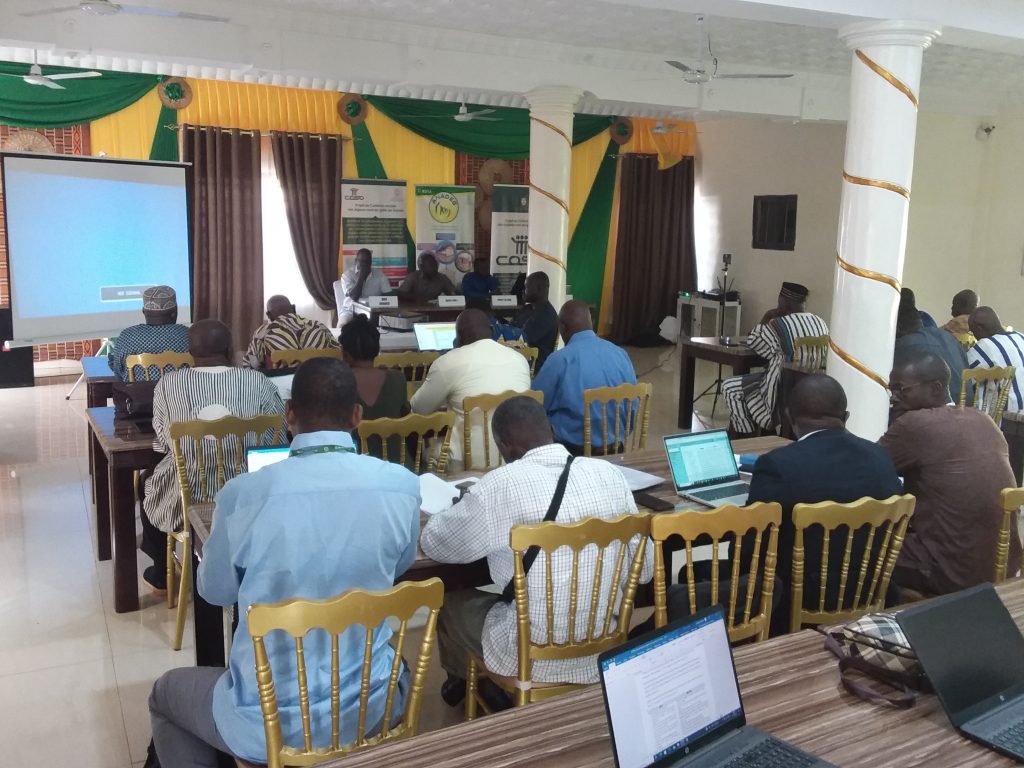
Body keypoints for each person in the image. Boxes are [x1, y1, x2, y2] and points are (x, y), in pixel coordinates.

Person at [146, 358, 420, 768]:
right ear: (356, 416)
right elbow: (399, 567)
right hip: (371, 708)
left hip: (270, 722)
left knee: (164, 695)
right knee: (398, 665)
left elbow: (215, 591)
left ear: (289, 413)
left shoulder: (243, 495)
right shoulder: (401, 485)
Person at [420, 395, 652, 704]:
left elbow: (437, 544)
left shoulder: (499, 485)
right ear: (551, 431)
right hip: (603, 647)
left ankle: (467, 684)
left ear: (503, 446)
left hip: (528, 656)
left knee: (450, 602)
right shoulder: (610, 475)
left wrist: (456, 510)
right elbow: (645, 570)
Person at [745, 374, 902, 635]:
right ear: (846, 417)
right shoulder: (880, 457)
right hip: (870, 590)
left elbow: (752, 546)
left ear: (789, 416)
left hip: (798, 600)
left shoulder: (778, 465)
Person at [140, 320, 285, 592]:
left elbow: (164, 441)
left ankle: (161, 572)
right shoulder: (258, 382)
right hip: (249, 499)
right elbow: (275, 440)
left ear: (189, 352)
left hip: (188, 500)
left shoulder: (168, 384)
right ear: (230, 350)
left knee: (148, 481)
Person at [880, 349, 1021, 595]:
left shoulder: (915, 424)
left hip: (952, 572)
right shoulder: (983, 419)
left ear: (935, 388)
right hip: (1003, 567)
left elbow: (868, 469)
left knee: (856, 543)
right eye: (891, 390)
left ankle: (882, 612)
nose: (894, 398)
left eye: (902, 389)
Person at [410, 308, 530, 469]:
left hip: (465, 463)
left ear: (458, 337)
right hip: (513, 458)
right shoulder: (519, 360)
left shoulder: (447, 363)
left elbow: (418, 409)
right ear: (492, 331)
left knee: (426, 449)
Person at [721, 282, 829, 436]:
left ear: (784, 302)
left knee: (730, 388)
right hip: (811, 388)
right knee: (754, 382)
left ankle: (746, 438)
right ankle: (765, 435)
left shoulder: (779, 325)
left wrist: (767, 316)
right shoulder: (820, 322)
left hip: (781, 390)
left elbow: (754, 342)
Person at [532, 300, 637, 455]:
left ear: (562, 327)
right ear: (590, 322)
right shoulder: (620, 354)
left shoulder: (559, 360)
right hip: (616, 450)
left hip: (572, 453)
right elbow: (632, 405)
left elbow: (534, 403)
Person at [339, 315, 410, 461]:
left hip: (355, 467)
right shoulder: (397, 378)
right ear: (376, 350)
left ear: (345, 354)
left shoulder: (338, 382)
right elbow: (406, 418)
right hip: (398, 465)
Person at [894, 287, 967, 402]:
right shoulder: (949, 337)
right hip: (966, 406)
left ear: (897, 327)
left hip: (940, 410)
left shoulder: (904, 344)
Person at [108, 285, 189, 381]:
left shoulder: (126, 337)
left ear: (143, 311)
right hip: (180, 390)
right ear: (174, 312)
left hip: (139, 391)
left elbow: (118, 374)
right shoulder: (188, 335)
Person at [240, 295, 338, 369]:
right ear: (293, 308)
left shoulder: (263, 332)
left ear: (269, 315)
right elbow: (337, 354)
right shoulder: (319, 326)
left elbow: (251, 364)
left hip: (283, 386)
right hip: (322, 381)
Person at [968, 305, 1024, 414]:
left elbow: (963, 377)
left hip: (1005, 418)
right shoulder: (1021, 337)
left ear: (979, 329)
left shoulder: (985, 345)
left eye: (972, 332)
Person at [512, 271, 558, 372]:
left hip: (535, 369)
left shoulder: (546, 315)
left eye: (526, 287)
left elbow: (520, 339)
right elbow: (511, 328)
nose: (523, 291)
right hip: (521, 360)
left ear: (539, 289)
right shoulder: (527, 309)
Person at [334, 248, 392, 325]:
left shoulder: (380, 276)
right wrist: (362, 276)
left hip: (372, 311)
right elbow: (354, 297)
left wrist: (378, 301)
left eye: (367, 262)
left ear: (371, 262)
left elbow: (389, 296)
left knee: (388, 324)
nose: (364, 265)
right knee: (342, 324)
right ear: (356, 261)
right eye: (362, 261)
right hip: (350, 310)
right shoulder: (347, 275)